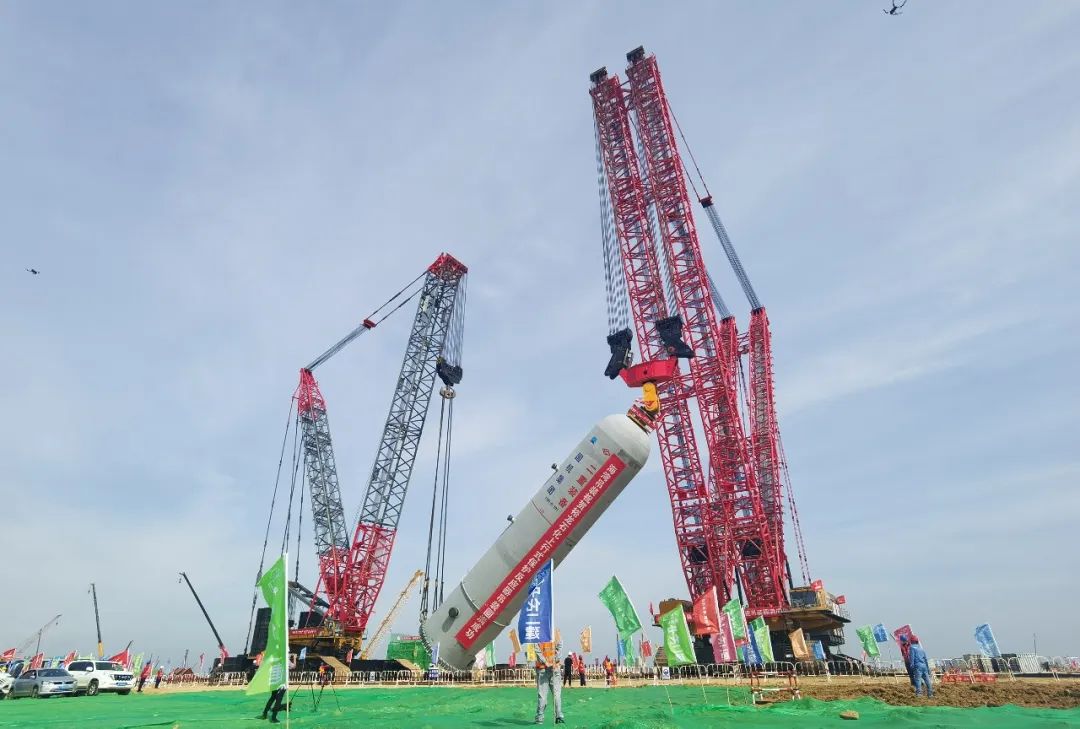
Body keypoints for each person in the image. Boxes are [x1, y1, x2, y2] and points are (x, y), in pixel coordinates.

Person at [534, 639, 565, 725]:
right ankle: (559, 716)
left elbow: (537, 651)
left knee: (542, 695)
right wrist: (553, 661)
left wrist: (546, 662)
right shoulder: (556, 634)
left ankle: (539, 718)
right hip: (554, 667)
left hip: (543, 668)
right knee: (556, 694)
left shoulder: (538, 635)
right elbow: (559, 649)